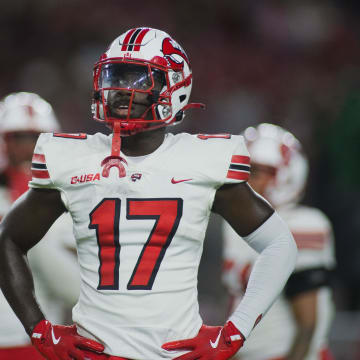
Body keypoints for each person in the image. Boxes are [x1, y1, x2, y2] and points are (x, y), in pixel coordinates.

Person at [0, 28, 297, 360]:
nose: (120, 89)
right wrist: (39, 329)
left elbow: (280, 245)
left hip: (174, 353)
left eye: (139, 79)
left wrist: (234, 331)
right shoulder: (72, 159)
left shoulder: (202, 160)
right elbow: (8, 240)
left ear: (175, 87)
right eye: (116, 75)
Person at [222, 123, 336, 360]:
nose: (243, 179)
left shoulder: (301, 223)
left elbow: (307, 324)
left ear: (285, 175)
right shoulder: (236, 224)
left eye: (253, 171)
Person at [0, 92, 79, 360]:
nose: (28, 148)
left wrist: (31, 234)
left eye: (36, 138)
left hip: (39, 340)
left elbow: (74, 291)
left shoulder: (73, 202)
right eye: (17, 138)